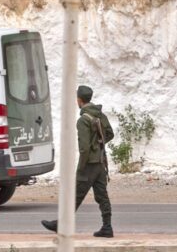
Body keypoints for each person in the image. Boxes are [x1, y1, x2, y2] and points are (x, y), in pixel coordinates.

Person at [41, 84, 115, 238]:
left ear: (79, 100)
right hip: (100, 163)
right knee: (102, 196)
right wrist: (98, 145)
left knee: (74, 196)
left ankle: (60, 224)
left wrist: (81, 168)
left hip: (88, 165)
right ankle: (107, 227)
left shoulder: (83, 120)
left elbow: (84, 149)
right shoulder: (100, 115)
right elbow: (110, 134)